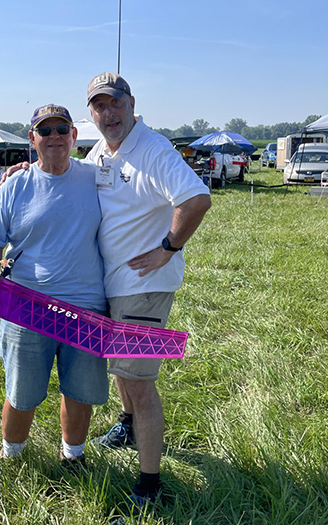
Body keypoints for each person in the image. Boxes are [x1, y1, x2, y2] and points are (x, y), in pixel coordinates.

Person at [85, 72, 211, 509]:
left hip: (144, 284)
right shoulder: (101, 150)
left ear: (132, 103)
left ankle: (150, 486)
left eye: (115, 103)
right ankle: (127, 426)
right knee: (123, 370)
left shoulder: (153, 150)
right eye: (99, 106)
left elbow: (196, 199)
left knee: (139, 383)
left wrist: (168, 248)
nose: (108, 113)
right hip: (114, 283)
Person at [0, 104, 108, 467]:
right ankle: (12, 457)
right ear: (32, 139)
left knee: (80, 391)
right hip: (25, 306)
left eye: (61, 129)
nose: (54, 137)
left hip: (86, 307)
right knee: (22, 393)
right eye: (45, 131)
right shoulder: (15, 184)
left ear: (74, 136)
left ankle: (73, 456)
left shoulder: (96, 177)